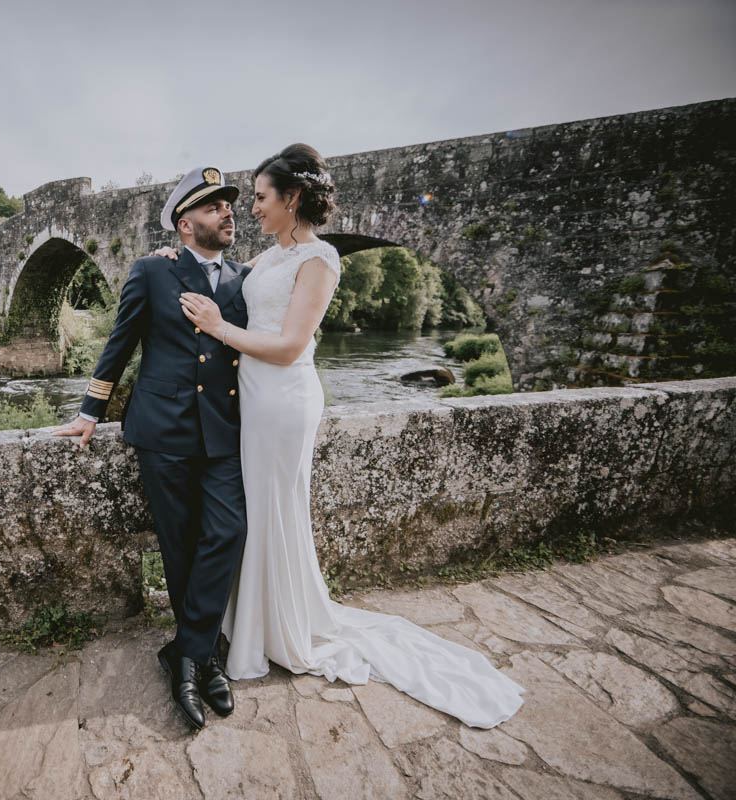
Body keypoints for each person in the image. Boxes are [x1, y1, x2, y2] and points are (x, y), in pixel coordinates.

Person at [167, 143, 526, 729]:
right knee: (252, 511)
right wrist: (173, 254)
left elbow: (287, 347)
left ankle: (274, 627)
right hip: (251, 400)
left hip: (283, 400)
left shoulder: (322, 259)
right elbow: (222, 276)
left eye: (260, 197)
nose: (251, 208)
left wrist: (218, 326)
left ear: (293, 198)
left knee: (275, 507)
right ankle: (247, 621)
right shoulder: (267, 258)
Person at [53, 166, 251, 731]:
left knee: (228, 531)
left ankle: (186, 652)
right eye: (214, 207)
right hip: (162, 430)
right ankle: (202, 657)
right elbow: (119, 345)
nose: (228, 212)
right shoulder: (151, 271)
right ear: (185, 224)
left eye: (230, 205)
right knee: (179, 543)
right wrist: (90, 411)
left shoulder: (243, 278)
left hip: (224, 432)